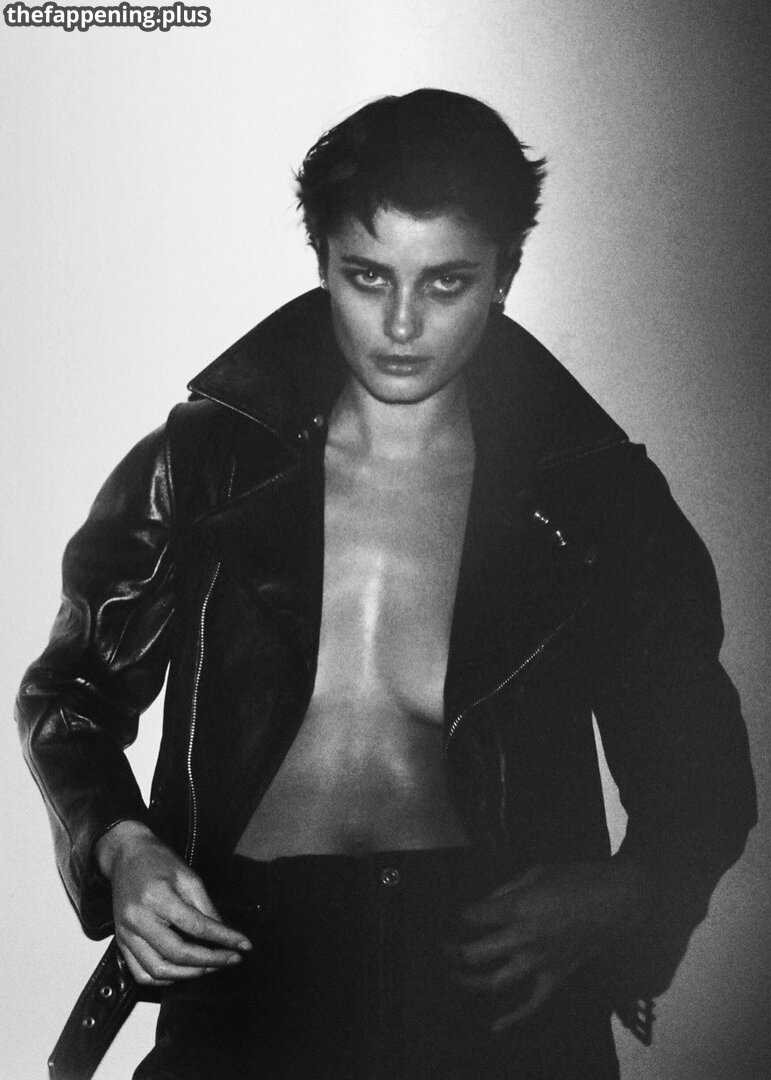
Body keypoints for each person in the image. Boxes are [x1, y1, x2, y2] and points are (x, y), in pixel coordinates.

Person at [17, 89, 756, 1080]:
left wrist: (634, 889)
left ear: (504, 276)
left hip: (488, 985)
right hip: (246, 968)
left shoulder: (597, 502)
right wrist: (122, 847)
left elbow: (699, 761)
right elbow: (70, 694)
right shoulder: (203, 465)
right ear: (322, 262)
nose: (401, 323)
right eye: (368, 277)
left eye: (445, 282)